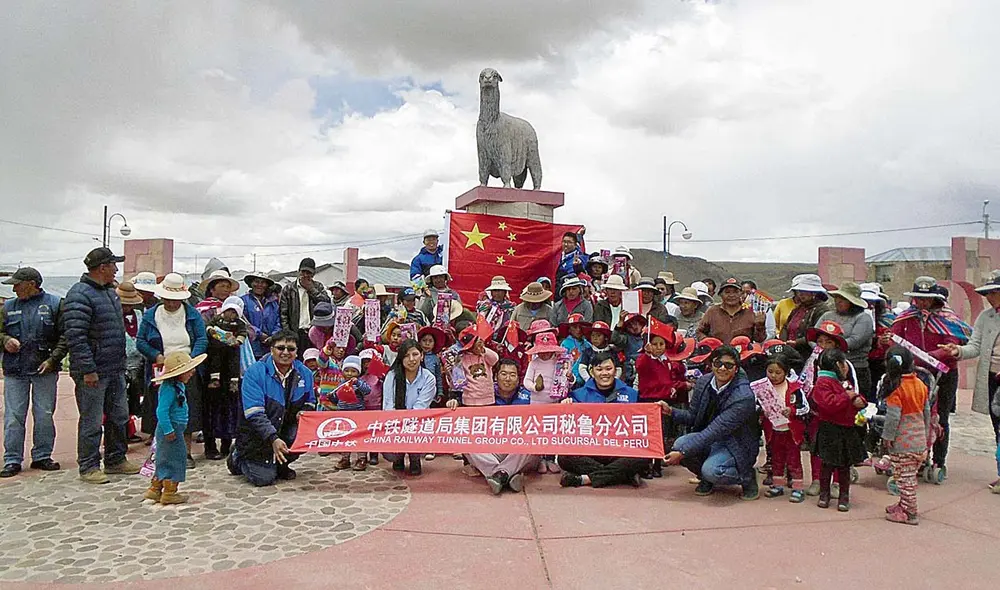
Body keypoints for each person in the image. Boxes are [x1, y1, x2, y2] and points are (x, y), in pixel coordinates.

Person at [63, 247, 142, 484]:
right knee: (92, 420)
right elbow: (76, 336)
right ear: (102, 267)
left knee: (119, 416)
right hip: (93, 371)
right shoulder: (79, 295)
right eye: (113, 265)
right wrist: (88, 369)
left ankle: (116, 459)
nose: (116, 269)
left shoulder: (110, 292)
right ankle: (88, 466)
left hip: (115, 368)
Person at [891, 277, 969, 481]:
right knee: (912, 415)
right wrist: (890, 346)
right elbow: (895, 337)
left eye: (926, 298)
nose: (922, 302)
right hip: (913, 374)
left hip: (942, 374)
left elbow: (951, 345)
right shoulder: (907, 317)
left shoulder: (947, 318)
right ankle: (913, 456)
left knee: (940, 416)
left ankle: (938, 460)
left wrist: (930, 356)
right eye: (918, 298)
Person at [661, 345, 760, 500]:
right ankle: (706, 478)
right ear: (710, 364)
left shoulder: (744, 397)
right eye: (717, 363)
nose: (722, 368)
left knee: (712, 470)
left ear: (736, 369)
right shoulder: (703, 382)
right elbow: (693, 417)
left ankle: (747, 477)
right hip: (708, 438)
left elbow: (716, 430)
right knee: (680, 444)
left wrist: (682, 453)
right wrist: (671, 412)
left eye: (728, 365)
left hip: (736, 444)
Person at [0, 267, 67, 478]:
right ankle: (12, 459)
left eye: (18, 284)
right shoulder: (7, 307)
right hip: (15, 370)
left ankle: (42, 455)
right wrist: (5, 340)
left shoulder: (56, 304)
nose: (14, 288)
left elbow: (65, 336)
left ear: (31, 283)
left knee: (44, 415)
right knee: (13, 417)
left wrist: (53, 359)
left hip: (44, 369)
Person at [136, 273, 208, 469]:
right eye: (168, 299)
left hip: (187, 367)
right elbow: (141, 341)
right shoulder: (151, 315)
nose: (172, 304)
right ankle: (162, 452)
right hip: (162, 367)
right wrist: (157, 355)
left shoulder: (192, 314)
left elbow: (201, 339)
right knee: (163, 409)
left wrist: (191, 359)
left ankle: (185, 453)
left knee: (186, 410)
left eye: (175, 300)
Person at [228, 330, 315, 486]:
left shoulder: (306, 373)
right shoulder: (254, 372)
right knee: (264, 479)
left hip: (285, 429)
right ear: (271, 349)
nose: (286, 352)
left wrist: (305, 412)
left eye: (291, 349)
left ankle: (281, 464)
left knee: (303, 435)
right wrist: (273, 438)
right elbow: (255, 414)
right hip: (256, 435)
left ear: (297, 352)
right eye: (280, 348)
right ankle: (237, 456)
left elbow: (311, 401)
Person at [558, 352, 648, 488]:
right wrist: (566, 407)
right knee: (564, 457)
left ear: (616, 370)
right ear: (591, 372)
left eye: (608, 369)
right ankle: (624, 475)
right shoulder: (579, 395)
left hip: (620, 449)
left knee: (642, 457)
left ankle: (586, 479)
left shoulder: (632, 394)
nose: (604, 373)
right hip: (591, 449)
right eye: (599, 369)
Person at [940, 272, 1000, 458]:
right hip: (991, 376)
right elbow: (975, 346)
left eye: (993, 293)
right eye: (987, 294)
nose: (989, 298)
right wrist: (958, 351)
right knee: (997, 425)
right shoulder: (986, 316)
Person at [464, 358, 538, 494]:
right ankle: (507, 475)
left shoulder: (530, 397)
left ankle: (497, 475)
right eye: (503, 374)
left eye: (512, 375)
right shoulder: (484, 394)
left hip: (519, 449)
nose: (508, 379)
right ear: (496, 376)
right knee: (467, 443)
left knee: (533, 442)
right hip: (494, 447)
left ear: (518, 378)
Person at [144, 351, 206, 505]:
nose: (192, 373)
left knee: (164, 458)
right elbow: (162, 411)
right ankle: (170, 491)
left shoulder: (177, 385)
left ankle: (155, 489)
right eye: (188, 370)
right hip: (171, 429)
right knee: (175, 459)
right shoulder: (169, 389)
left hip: (175, 427)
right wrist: (168, 430)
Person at [810, 348, 867, 511]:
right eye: (843, 363)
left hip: (846, 429)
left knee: (844, 467)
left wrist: (859, 400)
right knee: (826, 465)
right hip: (829, 429)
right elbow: (829, 404)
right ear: (837, 365)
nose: (846, 367)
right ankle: (824, 494)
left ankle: (844, 496)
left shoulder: (844, 382)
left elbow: (856, 395)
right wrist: (847, 397)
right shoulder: (822, 383)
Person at [879, 346, 931, 525]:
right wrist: (925, 435)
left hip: (903, 442)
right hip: (919, 441)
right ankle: (903, 504)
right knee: (909, 476)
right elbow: (927, 413)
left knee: (904, 479)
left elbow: (893, 418)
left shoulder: (896, 389)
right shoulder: (920, 385)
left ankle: (910, 512)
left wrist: (887, 437)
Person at [635, 319, 692, 478]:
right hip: (649, 402)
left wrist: (675, 387)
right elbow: (640, 366)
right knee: (648, 434)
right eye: (655, 344)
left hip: (664, 402)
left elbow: (668, 381)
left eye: (661, 344)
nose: (658, 347)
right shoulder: (645, 360)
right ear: (648, 345)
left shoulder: (667, 361)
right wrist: (646, 354)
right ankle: (646, 465)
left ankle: (657, 464)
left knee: (661, 435)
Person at [751, 350, 808, 502]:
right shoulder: (762, 389)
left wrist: (792, 411)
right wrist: (763, 412)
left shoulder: (795, 388)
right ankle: (778, 485)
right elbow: (755, 406)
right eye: (770, 372)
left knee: (793, 459)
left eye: (778, 372)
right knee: (776, 459)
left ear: (786, 372)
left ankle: (798, 487)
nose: (773, 376)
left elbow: (805, 407)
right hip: (773, 431)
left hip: (791, 431)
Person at [382, 339, 436, 475]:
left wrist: (408, 427)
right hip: (395, 424)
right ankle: (398, 457)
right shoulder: (392, 376)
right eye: (406, 356)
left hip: (417, 424)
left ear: (422, 356)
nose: (411, 359)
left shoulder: (428, 378)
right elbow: (388, 405)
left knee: (415, 465)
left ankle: (415, 456)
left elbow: (421, 406)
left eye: (415, 354)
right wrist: (397, 427)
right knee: (390, 455)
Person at [202, 296, 246, 460]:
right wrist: (213, 333)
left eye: (234, 312)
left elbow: (243, 333)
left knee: (229, 408)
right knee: (212, 409)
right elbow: (208, 328)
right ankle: (210, 447)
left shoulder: (239, 324)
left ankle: (227, 445)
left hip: (231, 368)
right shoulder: (215, 319)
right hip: (214, 361)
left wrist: (237, 341)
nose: (230, 315)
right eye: (228, 311)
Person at [523, 331, 571, 473]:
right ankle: (539, 459)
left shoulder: (560, 362)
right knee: (538, 431)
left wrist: (570, 377)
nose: (544, 354)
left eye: (548, 351)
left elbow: (568, 381)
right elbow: (526, 381)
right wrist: (534, 387)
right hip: (536, 403)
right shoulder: (534, 363)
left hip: (554, 403)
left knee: (553, 431)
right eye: (542, 351)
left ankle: (550, 458)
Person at [818, 282, 875, 395]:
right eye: (837, 298)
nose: (838, 301)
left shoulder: (863, 318)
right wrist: (820, 347)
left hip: (854, 368)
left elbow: (855, 341)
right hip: (826, 369)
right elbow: (813, 336)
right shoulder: (827, 315)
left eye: (843, 299)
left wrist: (832, 346)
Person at [279, 257, 331, 357]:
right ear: (299, 272)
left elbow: (326, 303)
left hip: (315, 332)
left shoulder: (318, 286)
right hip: (295, 332)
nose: (306, 275)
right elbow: (283, 314)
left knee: (313, 361)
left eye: (309, 273)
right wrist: (288, 334)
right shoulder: (289, 289)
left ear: (313, 274)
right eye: (303, 272)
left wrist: (311, 289)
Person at [697, 278, 766, 344]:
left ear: (741, 294)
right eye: (727, 292)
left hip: (744, 354)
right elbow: (699, 331)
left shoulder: (750, 312)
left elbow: (759, 339)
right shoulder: (712, 311)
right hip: (718, 354)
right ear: (720, 295)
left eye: (735, 292)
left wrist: (760, 325)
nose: (731, 295)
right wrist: (708, 342)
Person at [118, 281, 146, 443]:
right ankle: (122, 432)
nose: (126, 307)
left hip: (139, 363)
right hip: (120, 363)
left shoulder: (139, 315)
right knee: (122, 398)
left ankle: (131, 430)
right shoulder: (113, 316)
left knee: (135, 397)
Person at [780, 274, 831, 359]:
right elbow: (786, 326)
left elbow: (818, 333)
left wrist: (797, 342)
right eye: (799, 291)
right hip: (790, 353)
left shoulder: (822, 310)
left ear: (814, 292)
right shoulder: (798, 308)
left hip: (807, 355)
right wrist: (784, 342)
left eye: (804, 291)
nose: (800, 294)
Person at [241, 273, 280, 360]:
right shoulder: (243, 301)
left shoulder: (273, 302)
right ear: (251, 283)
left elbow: (278, 320)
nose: (259, 285)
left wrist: (273, 336)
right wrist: (259, 334)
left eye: (263, 282)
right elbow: (243, 321)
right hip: (252, 347)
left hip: (271, 346)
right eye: (256, 282)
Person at [558, 313, 591, 389]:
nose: (578, 330)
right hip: (570, 381)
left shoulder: (588, 345)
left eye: (581, 327)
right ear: (569, 329)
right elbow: (561, 364)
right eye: (575, 327)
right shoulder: (565, 344)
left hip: (586, 381)